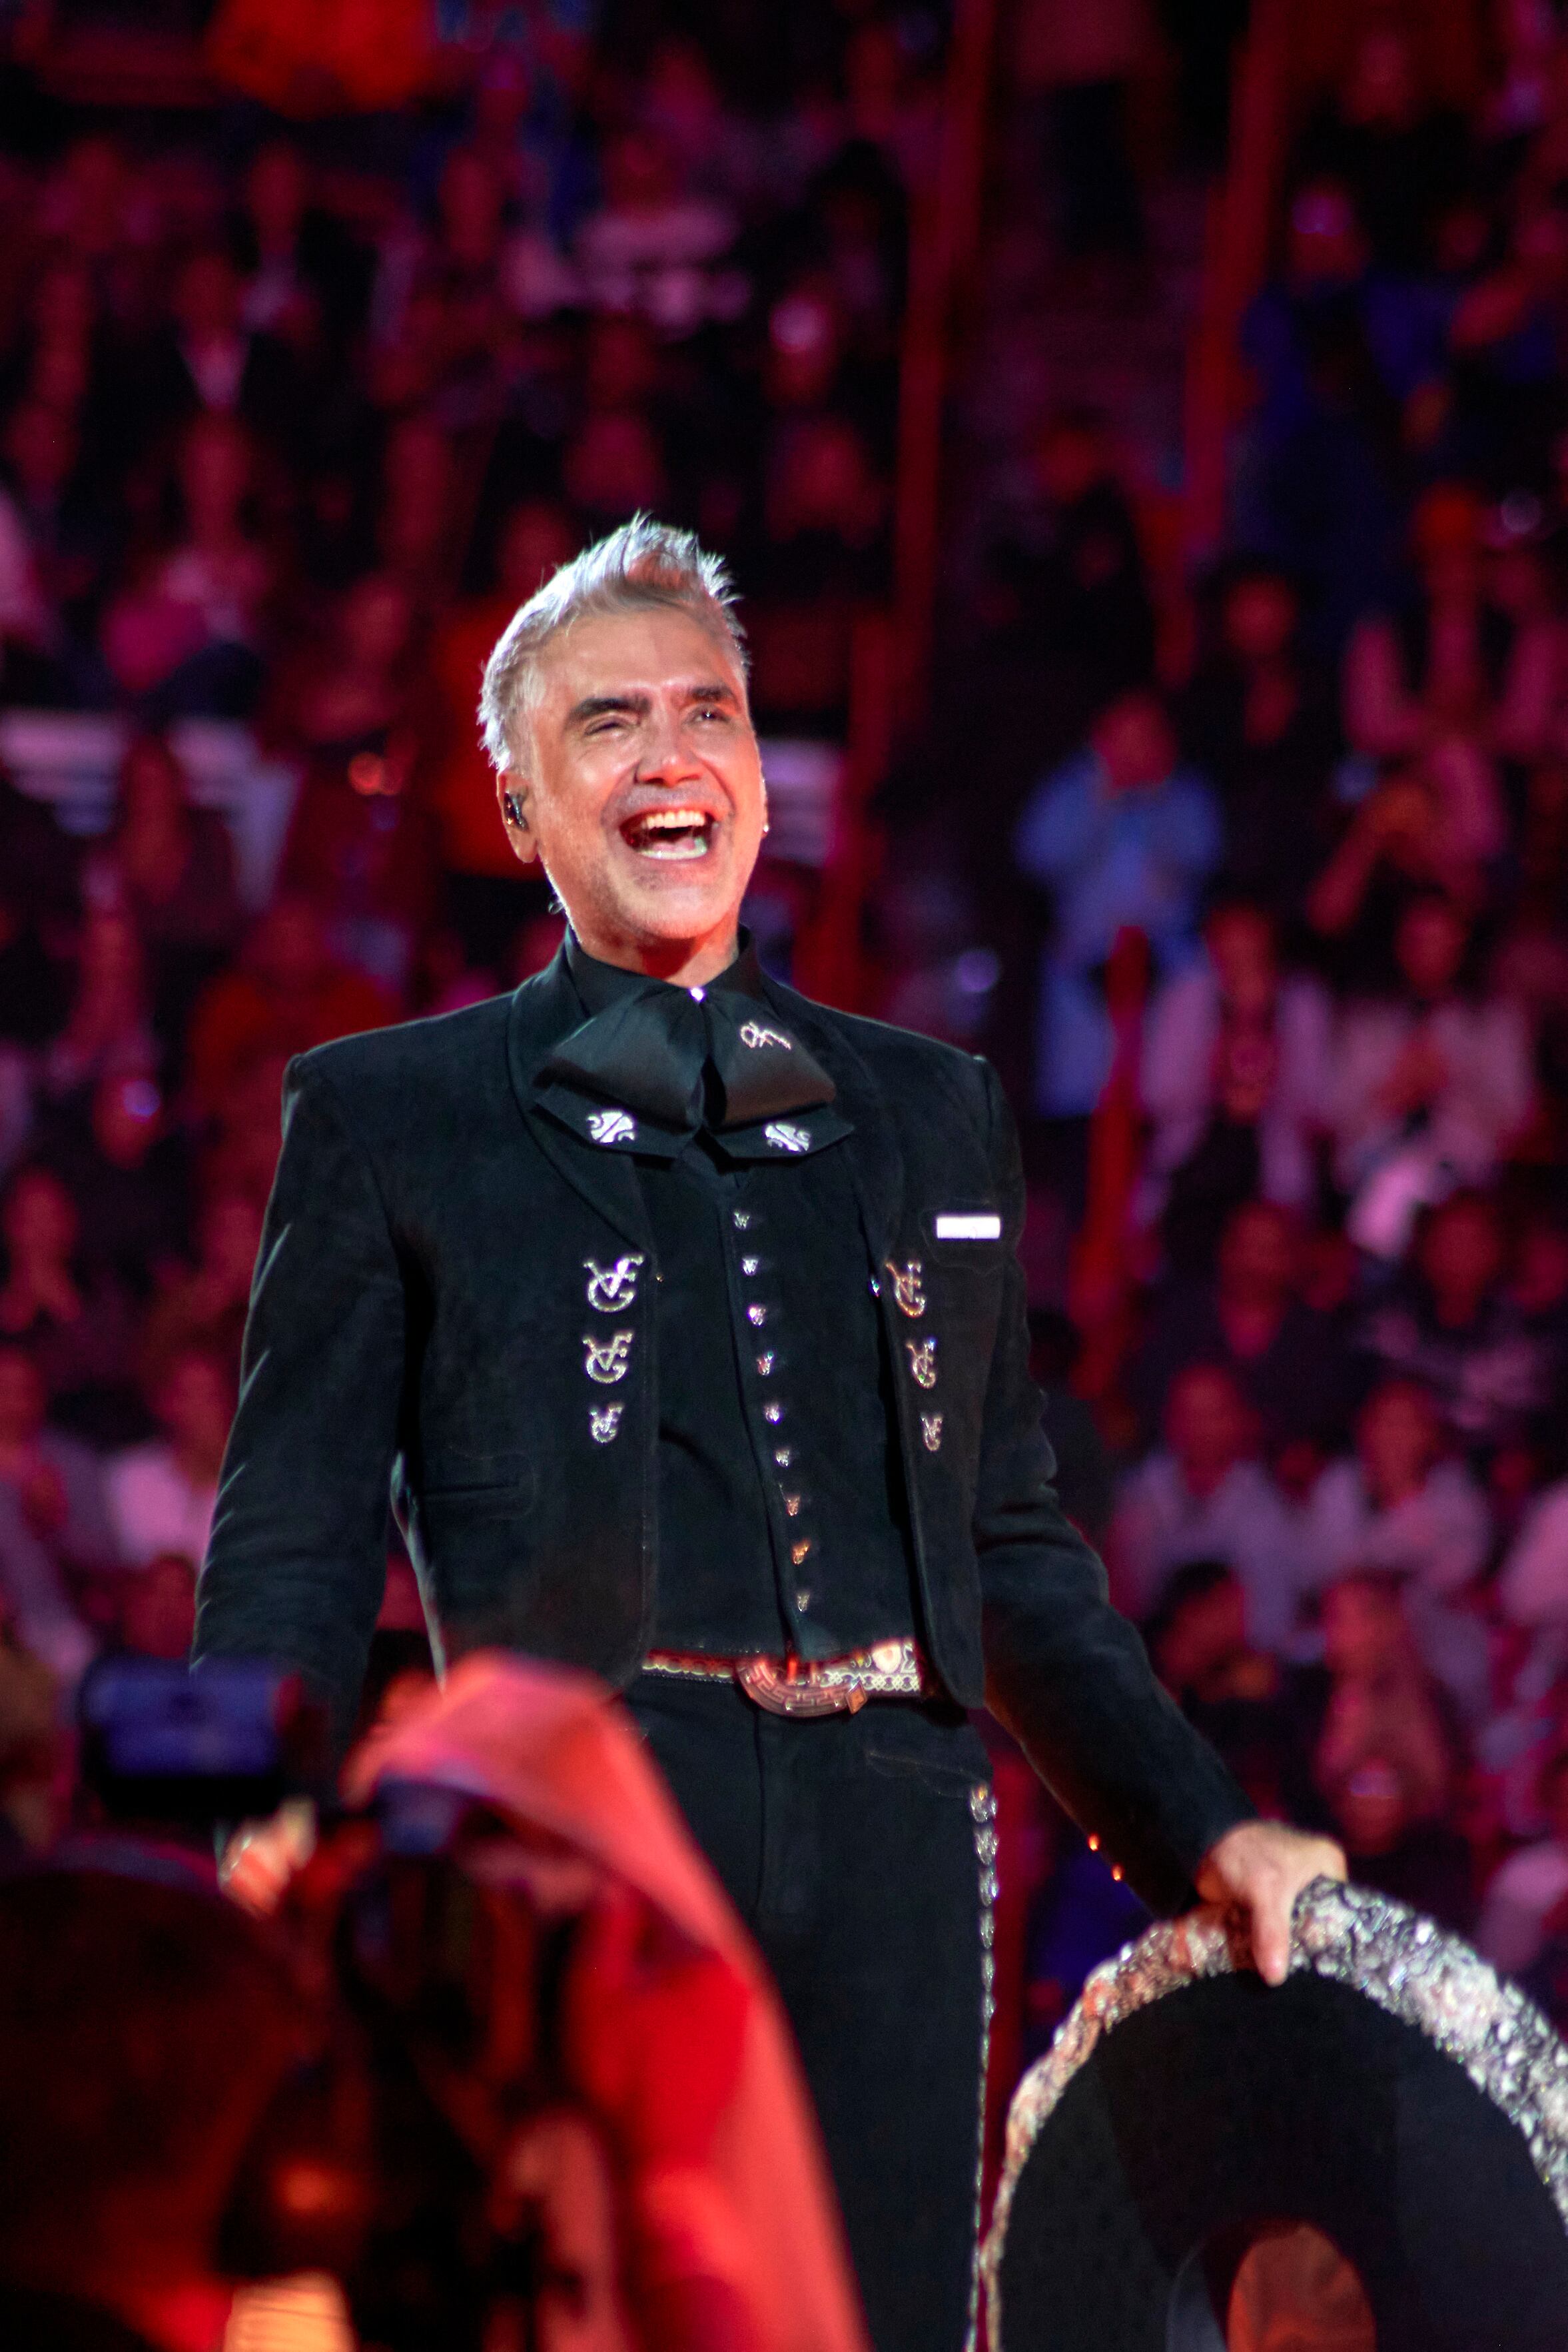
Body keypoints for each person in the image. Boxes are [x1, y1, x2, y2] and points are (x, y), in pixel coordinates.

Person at [194, 520, 1342, 2352]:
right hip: (588, 1829)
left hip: (897, 1823)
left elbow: (1010, 1545)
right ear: (516, 805)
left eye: (706, 711)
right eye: (609, 721)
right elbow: (296, 1532)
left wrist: (1202, 1826)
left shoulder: (929, 1107)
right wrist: (245, 1801)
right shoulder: (389, 1116)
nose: (671, 755)